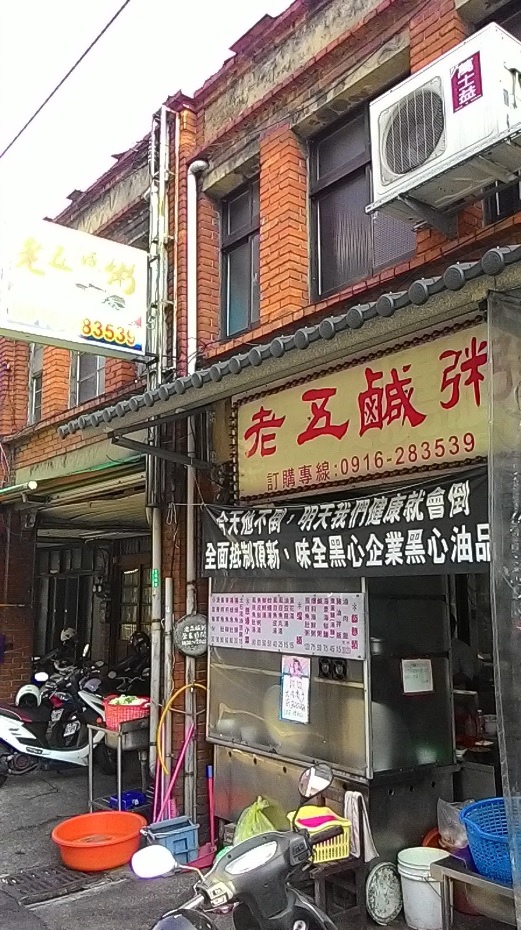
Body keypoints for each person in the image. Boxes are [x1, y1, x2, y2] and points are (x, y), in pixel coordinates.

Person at [450, 613, 481, 688]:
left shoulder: (462, 648)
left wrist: (447, 680)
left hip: (456, 691)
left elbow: (467, 674)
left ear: (453, 627)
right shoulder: (431, 647)